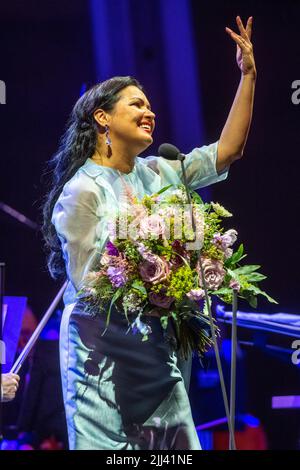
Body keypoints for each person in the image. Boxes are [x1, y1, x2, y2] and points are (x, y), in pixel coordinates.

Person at [42, 16, 256, 450]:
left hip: (157, 348)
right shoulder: (81, 191)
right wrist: (153, 272)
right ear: (102, 118)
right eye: (136, 104)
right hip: (101, 355)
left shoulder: (162, 171)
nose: (150, 112)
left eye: (149, 105)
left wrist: (248, 74)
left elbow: (228, 151)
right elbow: (90, 287)